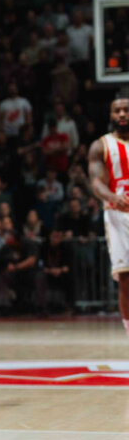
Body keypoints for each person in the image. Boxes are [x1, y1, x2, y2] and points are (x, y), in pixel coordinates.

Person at [86, 96, 129, 338]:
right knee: (125, 277)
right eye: (117, 111)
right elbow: (96, 183)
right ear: (111, 115)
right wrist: (113, 197)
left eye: (126, 110)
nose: (122, 114)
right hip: (118, 214)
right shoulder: (100, 146)